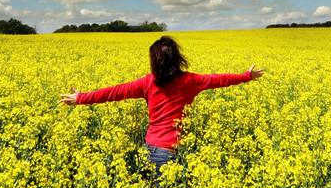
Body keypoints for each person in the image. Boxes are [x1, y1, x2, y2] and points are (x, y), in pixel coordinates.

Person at [58, 36, 264, 176]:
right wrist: (247, 76)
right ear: (177, 58)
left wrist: (82, 98)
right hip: (170, 151)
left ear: (154, 61)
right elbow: (220, 79)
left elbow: (115, 92)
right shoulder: (190, 81)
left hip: (148, 149)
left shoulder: (147, 82)